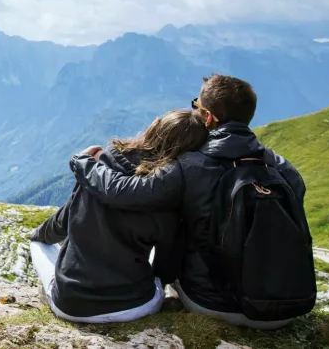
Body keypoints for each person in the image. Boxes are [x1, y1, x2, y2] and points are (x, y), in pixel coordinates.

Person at [73, 74, 312, 329]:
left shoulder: (190, 166)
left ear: (208, 118)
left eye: (197, 106)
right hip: (287, 310)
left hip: (215, 304)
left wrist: (84, 163)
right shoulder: (283, 169)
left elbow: (122, 192)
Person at [29, 109, 208, 323]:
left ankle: (52, 292)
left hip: (72, 306)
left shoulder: (96, 173)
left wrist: (37, 235)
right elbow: (166, 267)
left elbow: (63, 221)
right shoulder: (166, 197)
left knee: (38, 245)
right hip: (135, 306)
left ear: (155, 129)